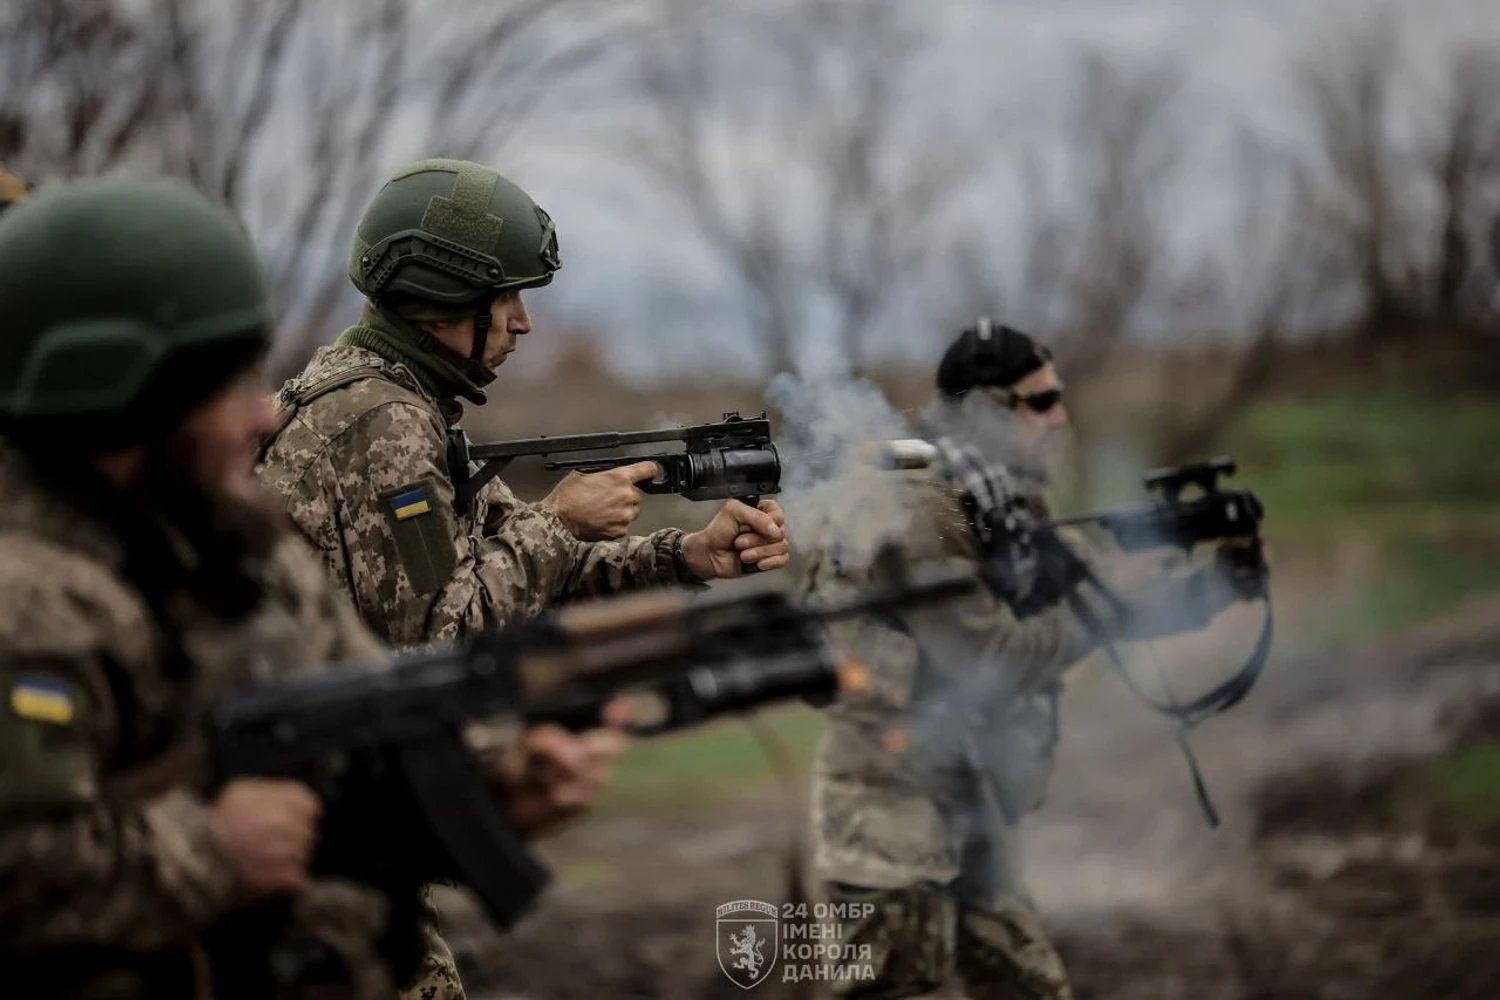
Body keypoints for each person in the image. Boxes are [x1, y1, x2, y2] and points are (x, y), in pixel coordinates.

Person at [0, 178, 626, 999]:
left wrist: (494, 779)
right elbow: (19, 870)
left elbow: (365, 712)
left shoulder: (242, 552)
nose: (263, 416)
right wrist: (215, 855)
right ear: (124, 398)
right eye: (223, 386)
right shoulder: (30, 606)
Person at [803, 320, 1267, 999]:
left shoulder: (1002, 500)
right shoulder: (923, 509)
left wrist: (1207, 590)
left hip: (969, 791)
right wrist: (1122, 594)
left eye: (1059, 399)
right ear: (988, 410)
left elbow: (1082, 589)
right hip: (891, 808)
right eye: (1041, 403)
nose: (1060, 419)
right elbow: (997, 658)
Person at [257, 158, 790, 648]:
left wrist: (690, 555)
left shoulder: (384, 397)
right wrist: (560, 520)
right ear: (443, 297)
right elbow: (443, 639)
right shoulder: (383, 421)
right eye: (505, 297)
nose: (523, 322)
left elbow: (526, 574)